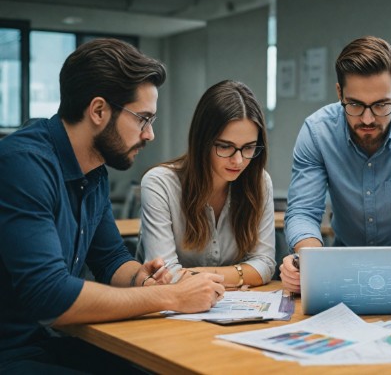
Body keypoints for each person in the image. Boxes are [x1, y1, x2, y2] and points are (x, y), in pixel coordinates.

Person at [0, 39, 225, 374]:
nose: (149, 134)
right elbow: (49, 296)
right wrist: (173, 298)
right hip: (13, 351)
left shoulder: (94, 171)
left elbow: (110, 259)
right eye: (143, 119)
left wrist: (143, 280)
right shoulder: (23, 164)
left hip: (53, 341)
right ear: (99, 111)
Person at [280, 36, 391, 293]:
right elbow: (303, 213)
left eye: (380, 105)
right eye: (355, 104)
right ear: (339, 93)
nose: (367, 119)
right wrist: (312, 265)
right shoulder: (317, 132)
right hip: (342, 268)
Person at [140, 80, 276, 288]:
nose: (238, 161)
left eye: (248, 148)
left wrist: (198, 274)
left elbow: (265, 266)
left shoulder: (260, 182)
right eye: (225, 146)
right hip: (167, 313)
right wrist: (241, 273)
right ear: (202, 141)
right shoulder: (159, 184)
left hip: (232, 310)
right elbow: (165, 277)